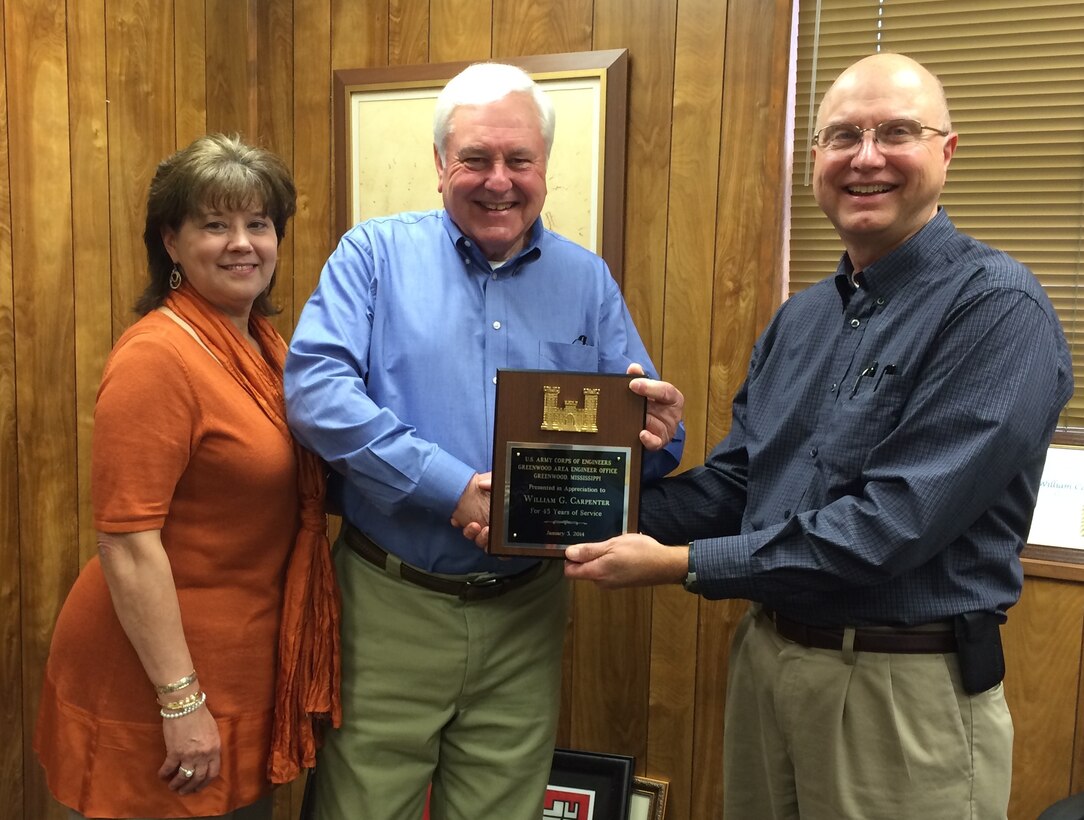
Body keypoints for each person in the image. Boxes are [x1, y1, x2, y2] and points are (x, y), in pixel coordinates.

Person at [564, 52, 1073, 820]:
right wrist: (567, 504)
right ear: (816, 161)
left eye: (896, 132)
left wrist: (678, 564)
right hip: (770, 663)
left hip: (901, 690)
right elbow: (738, 486)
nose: (866, 157)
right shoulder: (801, 319)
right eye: (843, 137)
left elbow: (889, 526)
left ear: (947, 150)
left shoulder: (997, 310)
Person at [283, 62, 684, 820]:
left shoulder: (586, 280)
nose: (499, 181)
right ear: (441, 165)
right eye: (476, 158)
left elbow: (643, 434)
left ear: (544, 167)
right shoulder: (372, 257)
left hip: (525, 614)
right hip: (390, 601)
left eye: (519, 160)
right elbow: (315, 394)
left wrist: (658, 432)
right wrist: (448, 486)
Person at [35, 134, 340, 820]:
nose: (242, 243)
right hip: (159, 684)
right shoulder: (157, 358)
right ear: (170, 243)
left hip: (241, 667)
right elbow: (127, 542)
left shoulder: (263, 346)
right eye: (215, 224)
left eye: (258, 224)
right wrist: (180, 700)